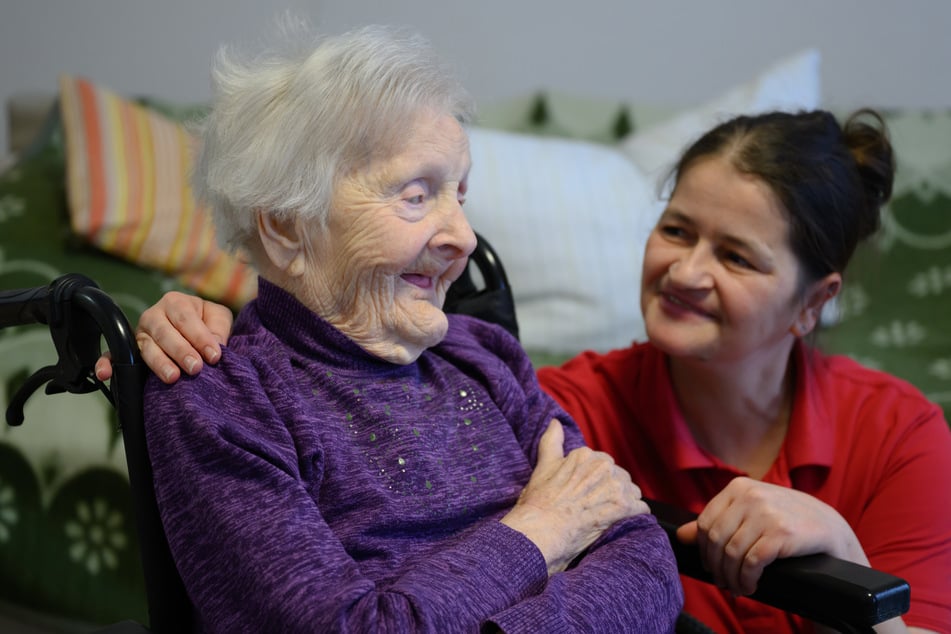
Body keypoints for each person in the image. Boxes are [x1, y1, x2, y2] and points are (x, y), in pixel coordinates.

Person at [106, 106, 951, 632]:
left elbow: (640, 568)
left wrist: (841, 546)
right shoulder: (561, 389)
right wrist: (192, 317)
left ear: (814, 303)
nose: (687, 271)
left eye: (737, 256)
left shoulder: (902, 430)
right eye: (677, 230)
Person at [130, 20, 683, 634]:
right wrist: (544, 528)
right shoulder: (224, 398)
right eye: (417, 195)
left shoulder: (485, 355)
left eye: (460, 196)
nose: (464, 238)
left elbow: (646, 561)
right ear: (286, 225)